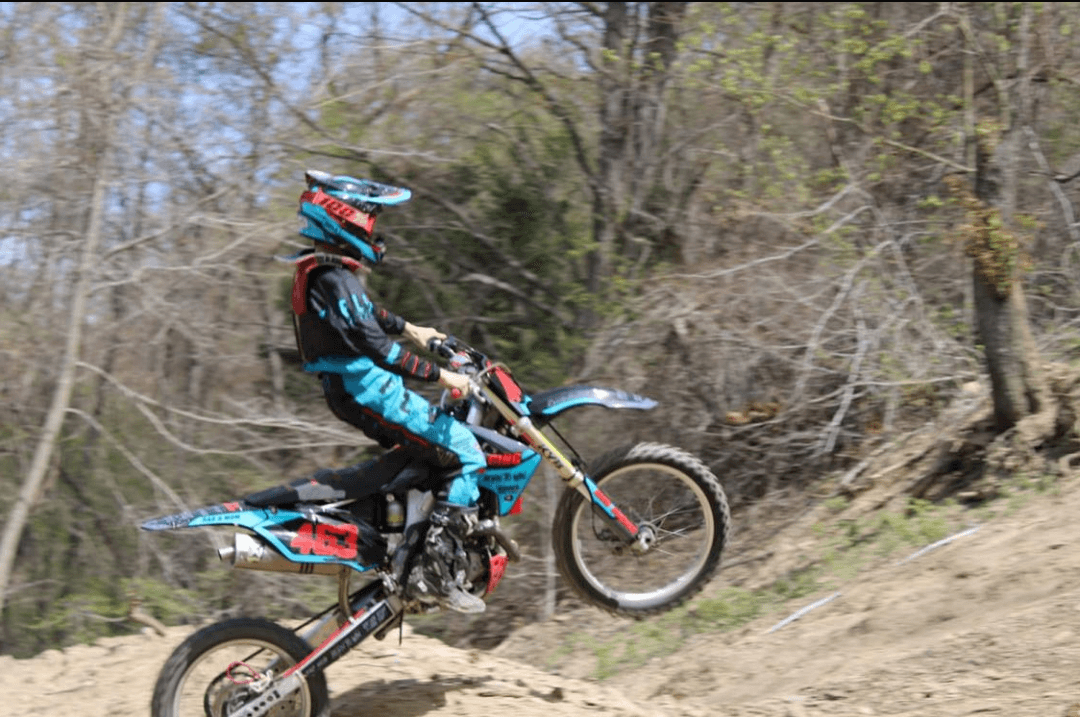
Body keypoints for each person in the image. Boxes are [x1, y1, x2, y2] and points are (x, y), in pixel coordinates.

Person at [286, 169, 487, 613]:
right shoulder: (331, 280)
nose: (375, 231)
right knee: (468, 452)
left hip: (356, 389)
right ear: (346, 220)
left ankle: (416, 537)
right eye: (370, 221)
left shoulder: (323, 272)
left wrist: (412, 328)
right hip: (369, 391)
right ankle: (435, 574)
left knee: (430, 455)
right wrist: (442, 377)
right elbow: (376, 347)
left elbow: (366, 314)